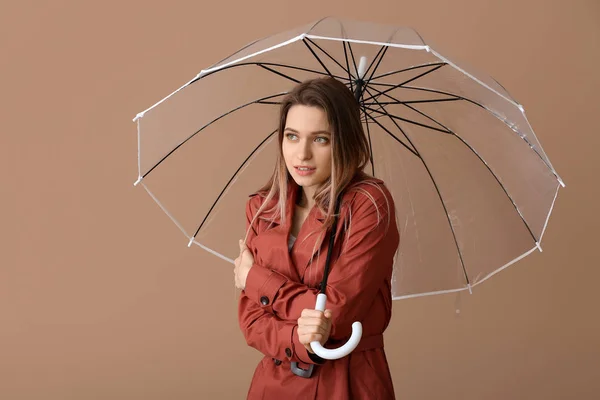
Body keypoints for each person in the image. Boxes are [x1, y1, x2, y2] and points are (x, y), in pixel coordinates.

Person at [233, 77, 400, 399]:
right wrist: (300, 340)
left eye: (321, 139)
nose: (302, 154)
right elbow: (252, 322)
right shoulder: (262, 207)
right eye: (292, 136)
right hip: (274, 384)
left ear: (345, 142)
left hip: (348, 383)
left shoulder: (368, 203)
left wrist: (255, 278)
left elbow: (337, 312)